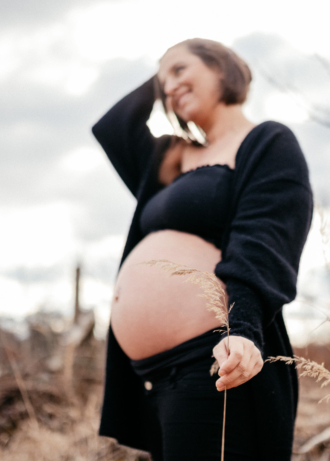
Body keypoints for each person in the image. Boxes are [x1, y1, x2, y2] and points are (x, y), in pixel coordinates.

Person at [91, 38, 313, 461]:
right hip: (152, 375)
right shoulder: (169, 158)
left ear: (221, 69)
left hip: (213, 360)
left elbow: (262, 244)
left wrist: (243, 332)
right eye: (162, 82)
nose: (168, 87)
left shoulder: (266, 142)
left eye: (180, 70)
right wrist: (165, 78)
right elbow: (113, 125)